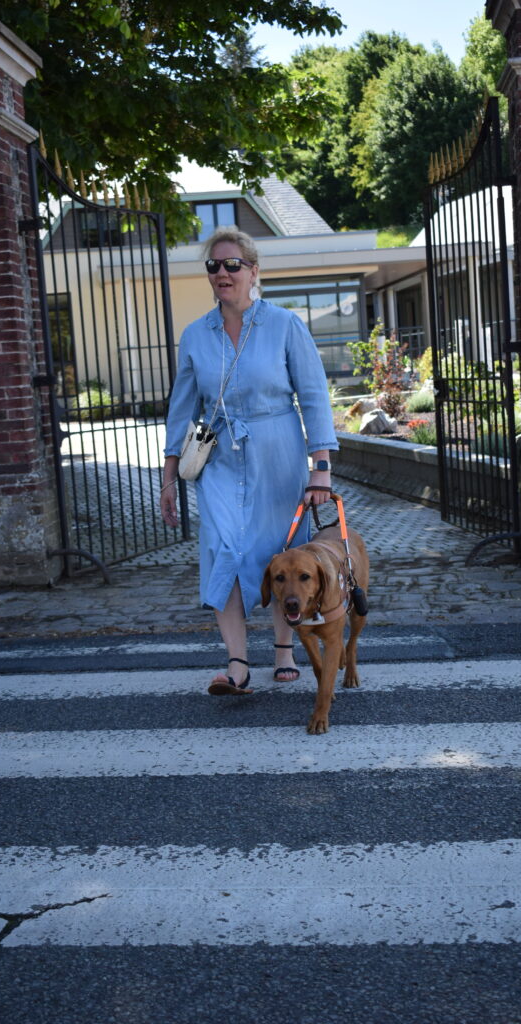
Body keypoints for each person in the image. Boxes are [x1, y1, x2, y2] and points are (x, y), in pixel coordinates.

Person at [160, 226, 338, 694]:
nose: (222, 273)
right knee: (223, 549)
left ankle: (283, 650)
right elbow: (181, 412)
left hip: (278, 453)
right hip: (218, 460)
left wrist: (321, 466)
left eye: (232, 264)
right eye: (213, 266)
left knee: (279, 552)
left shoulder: (284, 325)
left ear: (253, 271)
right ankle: (237, 663)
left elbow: (314, 396)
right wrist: (167, 478)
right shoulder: (196, 336)